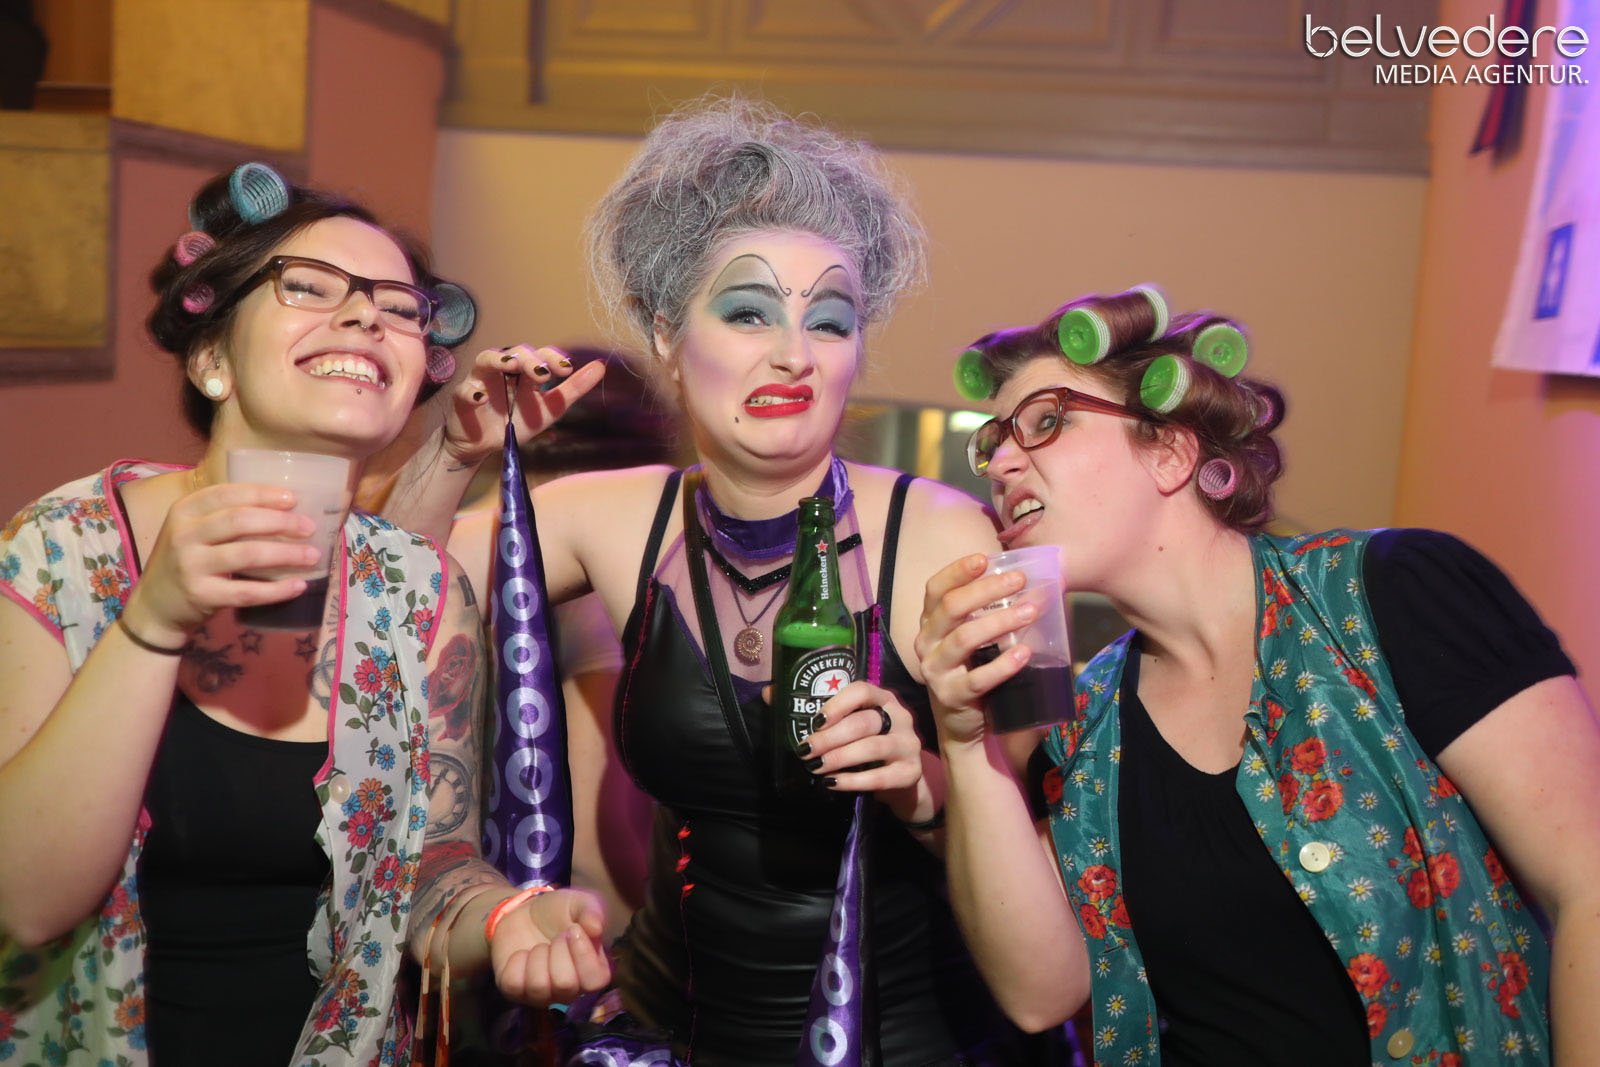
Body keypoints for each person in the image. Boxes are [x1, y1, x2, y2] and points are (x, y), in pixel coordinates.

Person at [387, 98, 1046, 1064]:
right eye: (748, 312)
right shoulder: (616, 520)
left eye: (830, 321)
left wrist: (922, 783)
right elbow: (385, 602)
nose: (793, 354)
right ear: (666, 331)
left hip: (905, 1043)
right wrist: (453, 451)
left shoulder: (944, 535)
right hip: (670, 1030)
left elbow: (1031, 862)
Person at [0, 164, 610, 1067]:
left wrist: (507, 918)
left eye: (399, 307)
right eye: (311, 287)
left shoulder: (421, 591)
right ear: (210, 361)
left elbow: (430, 869)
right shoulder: (61, 550)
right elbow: (25, 900)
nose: (366, 316)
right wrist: (151, 621)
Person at [915, 289, 1600, 1065]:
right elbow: (1040, 995)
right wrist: (963, 741)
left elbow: (1588, 885)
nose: (1003, 463)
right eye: (993, 443)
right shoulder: (1081, 726)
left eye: (1046, 420)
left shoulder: (1395, 593)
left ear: (1171, 452)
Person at [450, 347, 681, 944]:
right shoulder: (595, 551)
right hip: (551, 915)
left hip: (459, 893)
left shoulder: (467, 527)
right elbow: (608, 802)